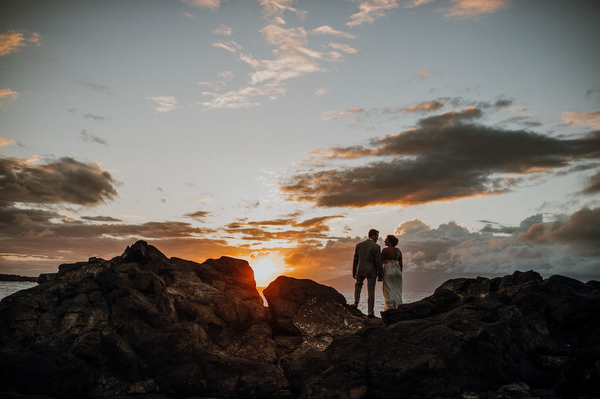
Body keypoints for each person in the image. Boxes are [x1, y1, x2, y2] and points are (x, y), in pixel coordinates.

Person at [351, 229, 383, 317]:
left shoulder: (359, 245)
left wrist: (354, 271)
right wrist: (380, 274)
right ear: (372, 235)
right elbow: (378, 262)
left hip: (360, 269)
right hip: (371, 271)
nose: (377, 238)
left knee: (358, 285)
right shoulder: (376, 247)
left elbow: (355, 259)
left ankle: (355, 303)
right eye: (377, 236)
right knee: (371, 291)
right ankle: (370, 312)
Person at [381, 234, 403, 310]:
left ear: (390, 242)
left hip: (388, 270)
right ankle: (398, 307)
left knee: (388, 290)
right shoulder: (398, 251)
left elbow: (381, 262)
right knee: (397, 290)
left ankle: (389, 309)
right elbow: (401, 264)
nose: (384, 241)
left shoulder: (384, 250)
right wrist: (400, 273)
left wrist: (380, 275)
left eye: (386, 240)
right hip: (397, 271)